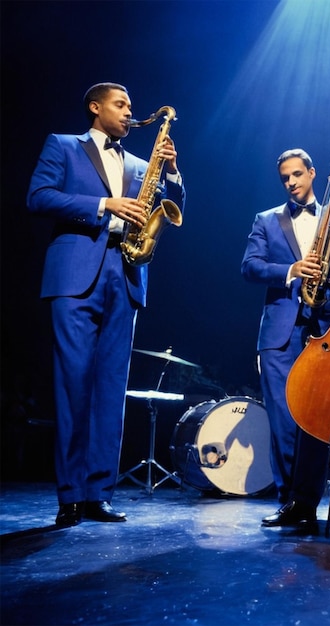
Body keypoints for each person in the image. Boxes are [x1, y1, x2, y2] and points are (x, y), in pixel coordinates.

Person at [27, 82, 185, 527]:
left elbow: (175, 206)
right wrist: (103, 203)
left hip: (126, 273)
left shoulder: (140, 162)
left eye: (132, 106)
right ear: (95, 108)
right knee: (72, 386)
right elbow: (38, 197)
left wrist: (172, 172)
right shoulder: (63, 146)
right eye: (121, 105)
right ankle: (70, 496)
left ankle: (98, 493)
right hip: (76, 276)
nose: (130, 112)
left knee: (111, 392)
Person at [242, 148, 330, 530]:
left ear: (313, 174)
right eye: (285, 178)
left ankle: (305, 505)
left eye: (296, 175)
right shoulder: (266, 219)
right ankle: (288, 500)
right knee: (283, 422)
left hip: (325, 331)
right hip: (279, 334)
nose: (290, 183)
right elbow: (250, 267)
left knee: (315, 422)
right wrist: (291, 269)